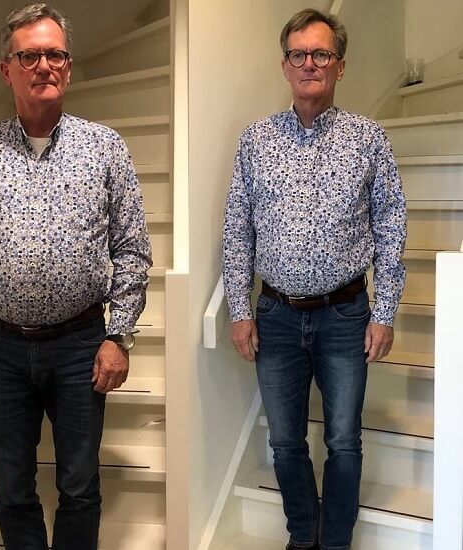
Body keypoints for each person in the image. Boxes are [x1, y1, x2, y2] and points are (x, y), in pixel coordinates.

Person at [0, 4, 151, 549]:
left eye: (55, 54)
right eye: (29, 56)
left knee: (79, 485)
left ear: (68, 67)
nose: (44, 66)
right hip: (3, 348)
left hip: (82, 345)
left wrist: (119, 336)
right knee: (12, 487)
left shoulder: (104, 147)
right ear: (6, 69)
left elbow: (132, 249)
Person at [222, 8, 406, 550]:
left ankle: (336, 542)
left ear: (339, 66)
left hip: (345, 316)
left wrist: (384, 312)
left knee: (344, 440)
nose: (309, 64)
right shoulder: (256, 141)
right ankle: (303, 537)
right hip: (275, 316)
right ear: (285, 66)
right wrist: (239, 310)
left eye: (321, 54)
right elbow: (237, 228)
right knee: (285, 442)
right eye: (298, 54)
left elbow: (391, 225)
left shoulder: (368, 139)